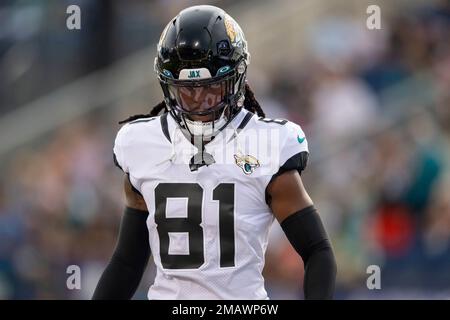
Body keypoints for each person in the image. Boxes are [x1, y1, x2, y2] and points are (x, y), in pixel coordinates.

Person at [93, 5, 336, 300]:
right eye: (187, 89)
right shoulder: (143, 144)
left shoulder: (267, 144)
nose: (199, 102)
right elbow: (128, 261)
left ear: (236, 81)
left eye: (211, 88)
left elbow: (317, 251)